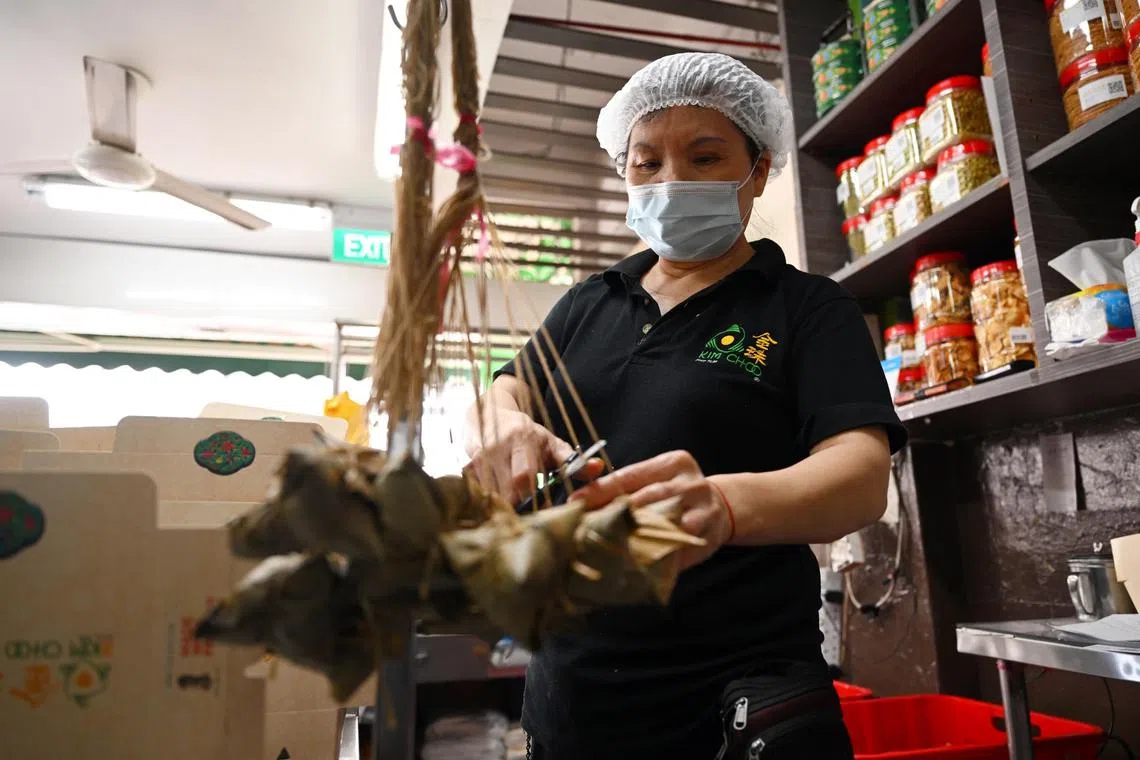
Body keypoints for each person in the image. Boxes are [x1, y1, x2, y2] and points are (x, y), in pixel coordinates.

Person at [465, 52, 906, 759]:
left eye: (705, 158)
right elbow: (507, 386)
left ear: (757, 171)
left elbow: (858, 475)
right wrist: (505, 425)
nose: (671, 183)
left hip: (735, 703)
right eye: (647, 163)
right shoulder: (591, 300)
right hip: (575, 699)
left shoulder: (805, 308)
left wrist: (724, 507)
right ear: (625, 174)